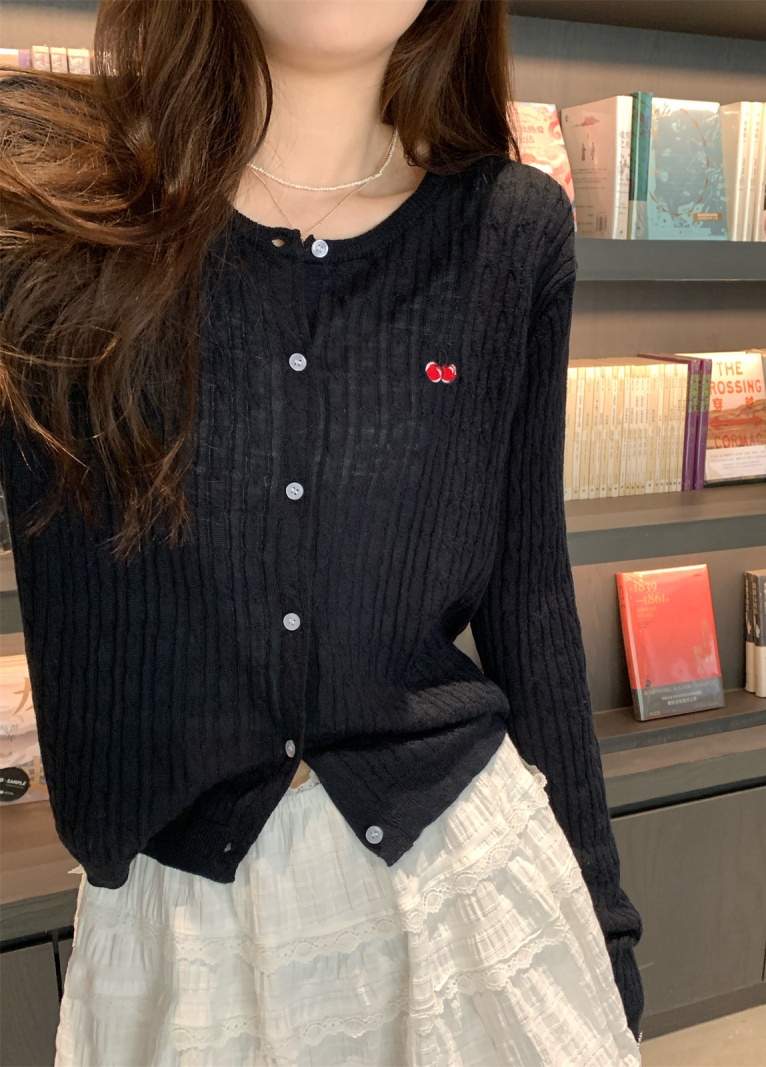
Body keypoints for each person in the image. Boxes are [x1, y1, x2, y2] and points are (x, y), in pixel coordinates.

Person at [0, 1, 645, 1063]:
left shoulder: (511, 229)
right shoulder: (43, 197)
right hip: (183, 920)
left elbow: (527, 592)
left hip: (463, 878)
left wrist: (603, 918)